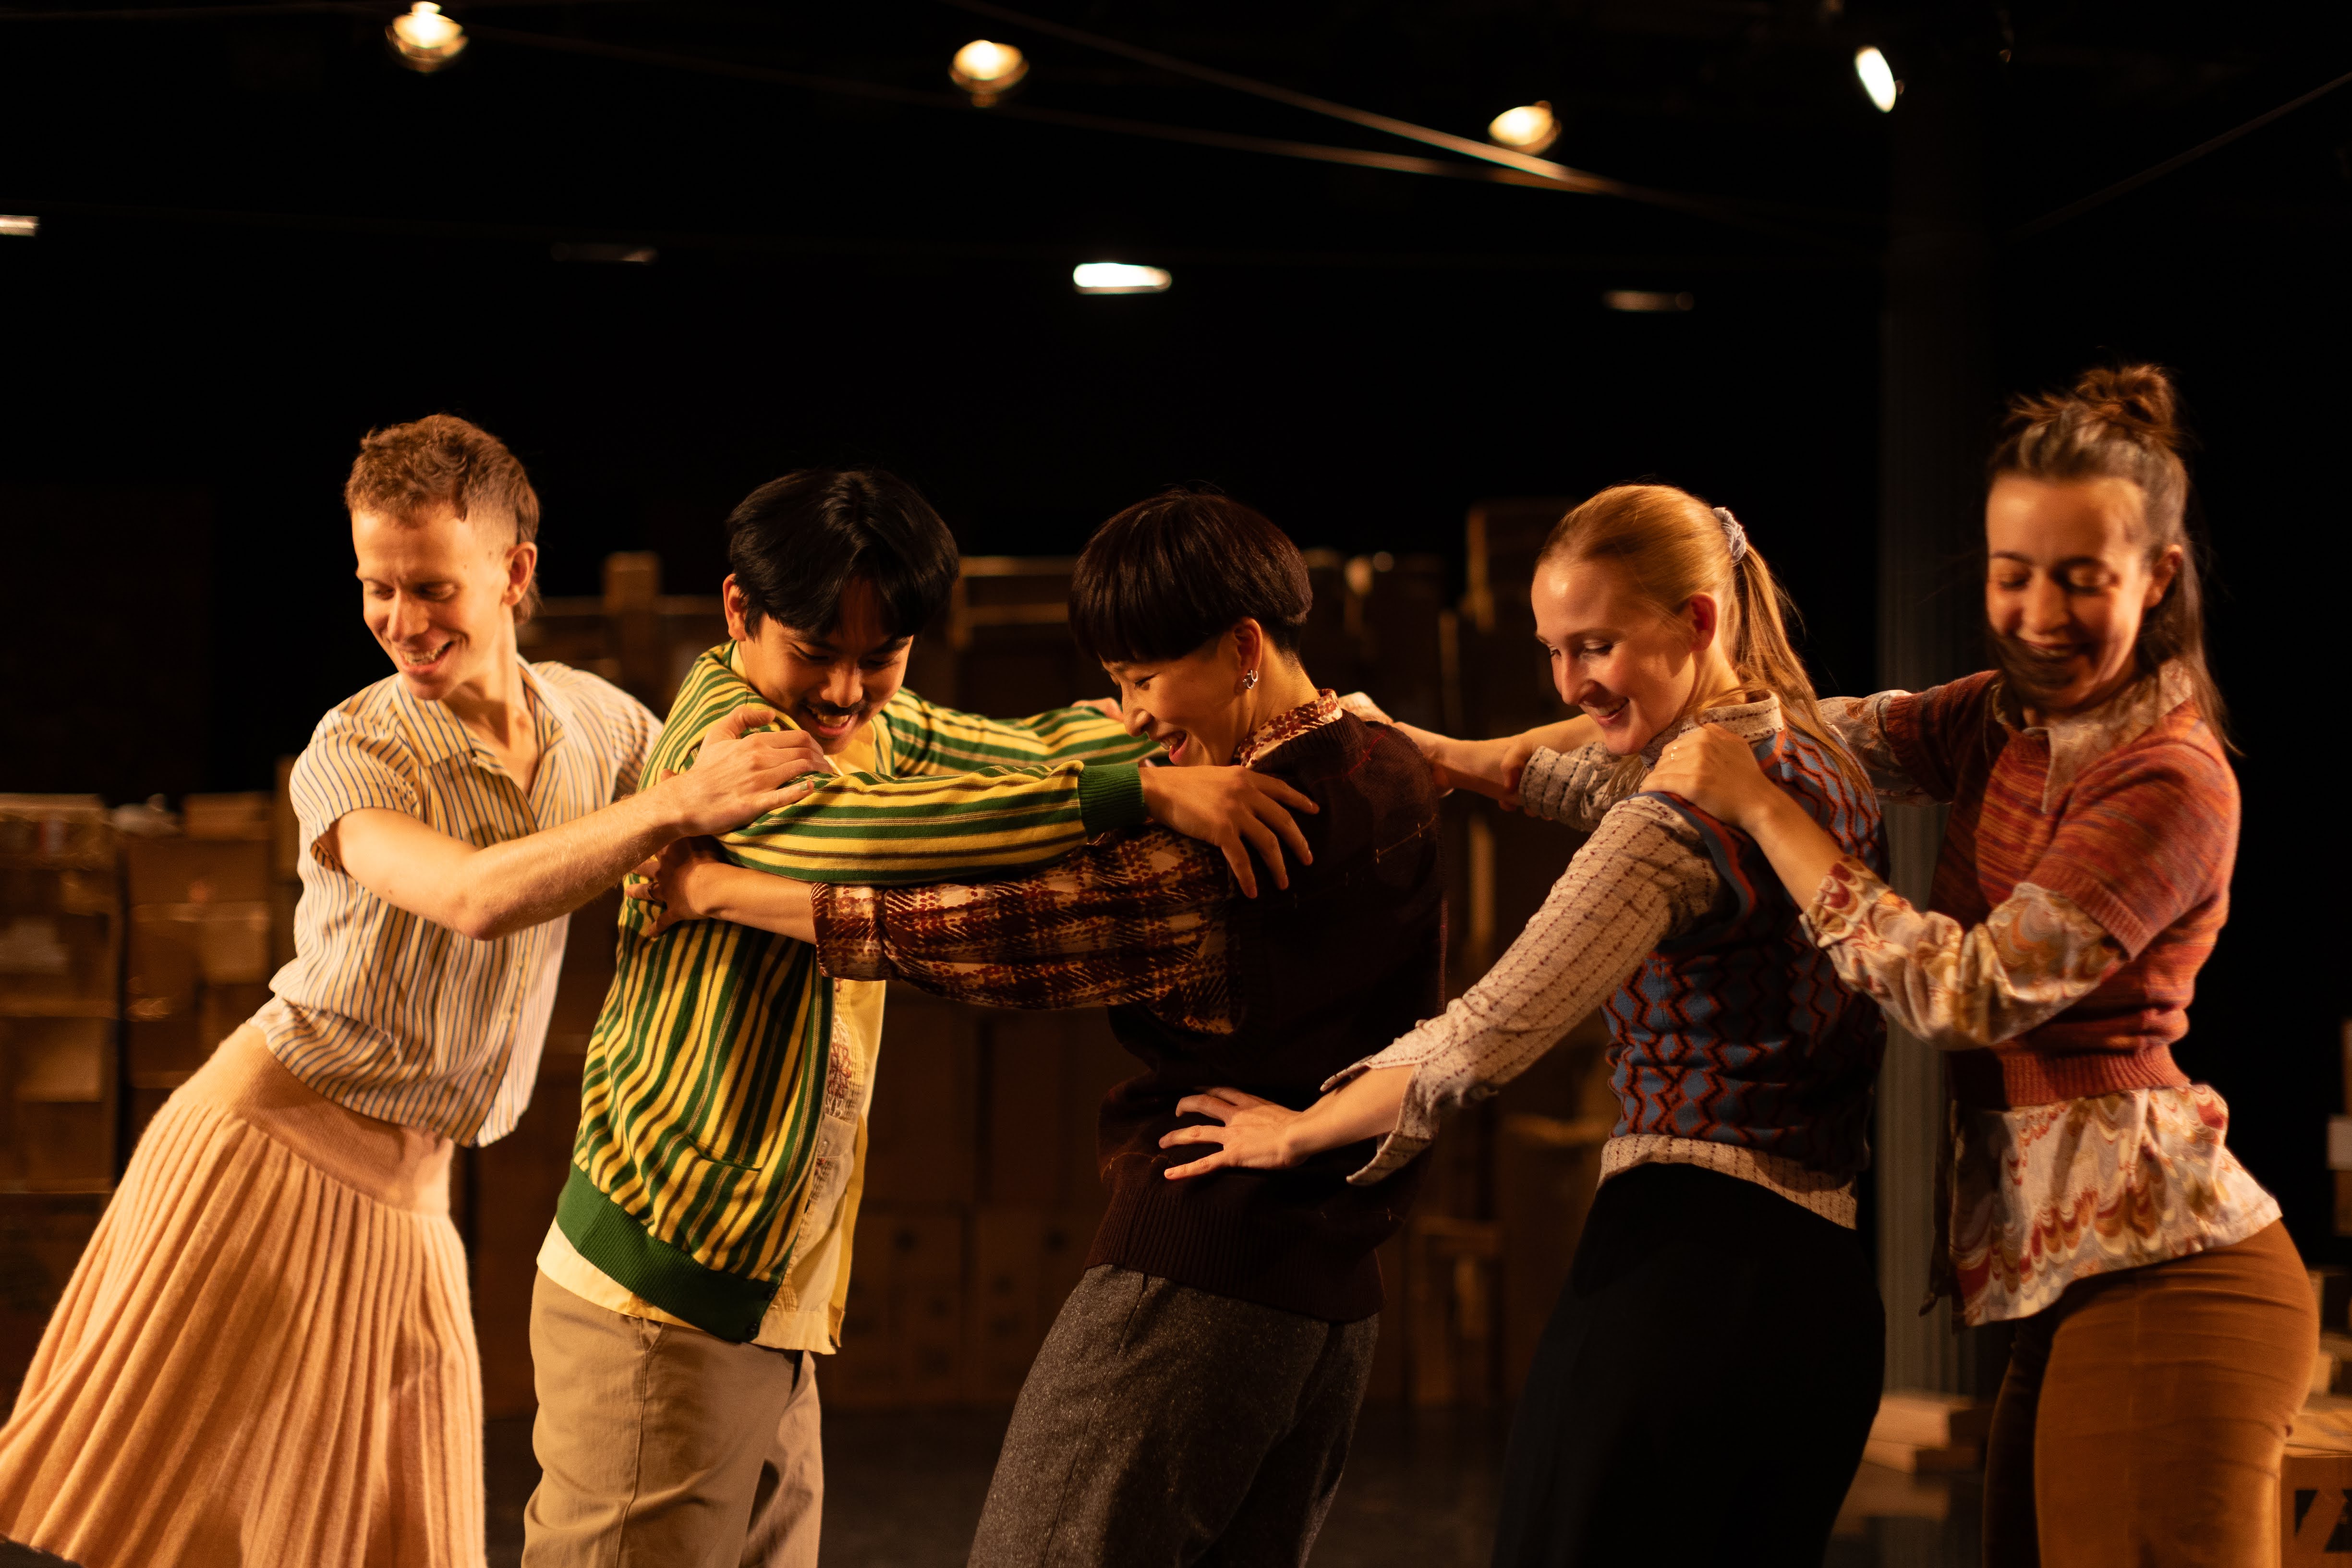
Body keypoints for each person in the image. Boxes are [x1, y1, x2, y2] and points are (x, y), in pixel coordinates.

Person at [0, 414, 826, 1568]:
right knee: (190, 1524)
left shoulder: (598, 725)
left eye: (431, 586)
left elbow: (745, 821)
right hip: (262, 1157)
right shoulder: (355, 746)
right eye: (375, 589)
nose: (402, 621)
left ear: (514, 572)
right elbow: (475, 896)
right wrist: (674, 805)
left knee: (397, 1536)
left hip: (413, 1198)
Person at [630, 486, 1446, 1568]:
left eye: (1147, 679)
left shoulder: (1235, 837)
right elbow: (1019, 747)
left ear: (1245, 647)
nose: (1136, 718)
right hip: (1335, 1311)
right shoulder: (1388, 762)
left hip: (1196, 1277)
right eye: (1118, 685)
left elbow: (983, 933)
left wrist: (711, 893)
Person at [1642, 365, 2311, 1568]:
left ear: (2156, 579)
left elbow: (1968, 991)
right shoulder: (2007, 720)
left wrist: (1757, 805)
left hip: (2171, 1278)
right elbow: (1791, 732)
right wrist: (1466, 755)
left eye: (2081, 579)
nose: (2039, 612)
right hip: (2075, 1276)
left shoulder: (2167, 774)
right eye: (2013, 575)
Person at [1171, 483, 1892, 1565]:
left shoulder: (1670, 823)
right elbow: (1577, 777)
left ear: (1697, 620)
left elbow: (1482, 1035)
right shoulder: (1817, 760)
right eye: (1554, 650)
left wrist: (1292, 1131)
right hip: (1824, 1294)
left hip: (1683, 1283)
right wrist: (1423, 748)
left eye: (1595, 645)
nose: (1569, 682)